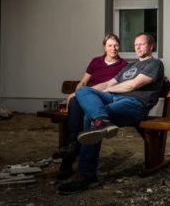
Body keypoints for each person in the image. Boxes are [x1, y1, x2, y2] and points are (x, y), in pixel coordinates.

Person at [57, 33, 164, 195]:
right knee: (84, 91)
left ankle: (86, 175)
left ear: (151, 46)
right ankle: (102, 121)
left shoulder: (155, 64)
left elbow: (132, 85)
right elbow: (108, 83)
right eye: (135, 44)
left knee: (89, 117)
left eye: (142, 44)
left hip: (135, 105)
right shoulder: (129, 66)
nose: (138, 47)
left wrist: (108, 90)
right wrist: (81, 93)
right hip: (114, 99)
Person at [52, 33, 127, 180]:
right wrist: (77, 92)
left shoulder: (124, 66)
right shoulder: (96, 62)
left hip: (104, 99)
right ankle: (72, 147)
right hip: (88, 97)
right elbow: (83, 82)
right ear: (104, 47)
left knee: (82, 113)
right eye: (110, 45)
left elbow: (136, 76)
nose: (114, 48)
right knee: (75, 101)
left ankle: (69, 156)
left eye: (116, 45)